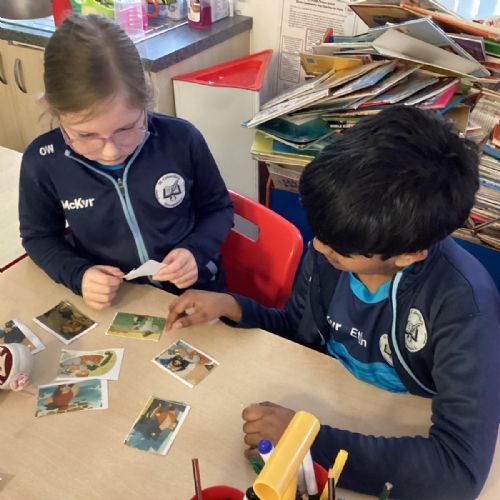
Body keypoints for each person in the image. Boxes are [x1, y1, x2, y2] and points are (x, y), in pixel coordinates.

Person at [165, 107, 500, 499]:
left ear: (408, 255)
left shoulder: (465, 308)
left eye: (339, 248)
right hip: (331, 402)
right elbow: (297, 329)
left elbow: (457, 472)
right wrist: (231, 306)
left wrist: (305, 440)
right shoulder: (333, 249)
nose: (319, 247)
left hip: (390, 439)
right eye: (319, 233)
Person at [19, 14, 233, 311]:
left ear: (146, 100)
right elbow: (39, 237)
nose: (110, 151)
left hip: (197, 295)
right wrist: (79, 275)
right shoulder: (43, 161)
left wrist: (195, 251)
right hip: (117, 301)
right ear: (55, 112)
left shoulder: (181, 139)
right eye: (86, 135)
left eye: (126, 128)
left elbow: (219, 209)